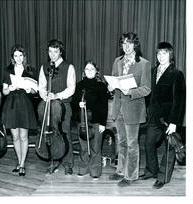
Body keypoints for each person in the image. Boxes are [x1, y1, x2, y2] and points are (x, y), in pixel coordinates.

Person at [139, 42, 186, 189]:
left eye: (164, 53)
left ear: (170, 55)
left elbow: (179, 101)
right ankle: (151, 170)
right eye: (159, 53)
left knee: (169, 148)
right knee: (148, 144)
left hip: (168, 119)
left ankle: (163, 177)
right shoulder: (152, 71)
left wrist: (174, 122)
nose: (161, 56)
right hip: (153, 117)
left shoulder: (177, 74)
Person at [108, 32, 151, 186]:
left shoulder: (144, 64)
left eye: (129, 43)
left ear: (135, 45)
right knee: (122, 142)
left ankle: (131, 176)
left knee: (132, 144)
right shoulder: (117, 61)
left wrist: (130, 92)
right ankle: (120, 171)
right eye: (124, 43)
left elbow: (146, 89)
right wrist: (111, 86)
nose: (126, 46)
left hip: (134, 108)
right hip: (118, 107)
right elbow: (113, 79)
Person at [38, 39, 76, 175]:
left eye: (55, 51)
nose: (52, 54)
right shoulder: (44, 67)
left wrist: (56, 95)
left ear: (60, 52)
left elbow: (71, 89)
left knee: (65, 133)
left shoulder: (69, 67)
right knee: (51, 133)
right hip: (49, 105)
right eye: (50, 51)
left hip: (63, 106)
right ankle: (53, 161)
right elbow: (41, 86)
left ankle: (68, 163)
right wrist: (45, 95)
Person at [1, 44, 38, 176]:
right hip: (11, 104)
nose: (18, 58)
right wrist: (9, 88)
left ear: (24, 56)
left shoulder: (31, 70)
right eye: (16, 55)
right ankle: (19, 161)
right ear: (12, 57)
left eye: (20, 55)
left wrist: (30, 89)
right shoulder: (7, 70)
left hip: (25, 104)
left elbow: (35, 90)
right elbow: (4, 91)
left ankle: (22, 164)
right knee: (15, 137)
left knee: (23, 136)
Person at [71, 60, 108, 179]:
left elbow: (104, 106)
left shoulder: (101, 85)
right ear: (84, 72)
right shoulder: (80, 85)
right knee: (83, 146)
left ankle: (95, 171)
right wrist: (78, 104)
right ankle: (83, 168)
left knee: (95, 147)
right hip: (82, 120)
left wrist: (103, 123)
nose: (89, 71)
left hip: (96, 121)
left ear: (96, 72)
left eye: (92, 69)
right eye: (87, 69)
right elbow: (73, 103)